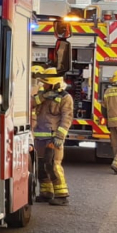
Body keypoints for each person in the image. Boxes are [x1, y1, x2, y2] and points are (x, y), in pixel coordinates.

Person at [33, 67, 73, 205]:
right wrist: (42, 97)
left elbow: (66, 118)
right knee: (41, 166)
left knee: (53, 165)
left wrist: (60, 137)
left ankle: (61, 196)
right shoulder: (41, 95)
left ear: (54, 84)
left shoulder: (65, 98)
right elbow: (30, 104)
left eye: (46, 83)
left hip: (53, 138)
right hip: (39, 138)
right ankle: (46, 193)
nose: (43, 85)